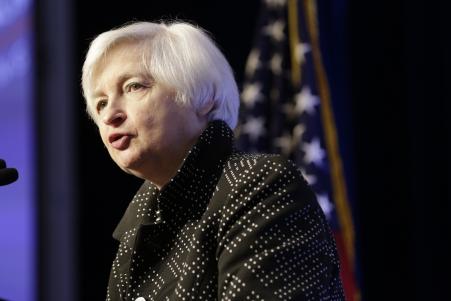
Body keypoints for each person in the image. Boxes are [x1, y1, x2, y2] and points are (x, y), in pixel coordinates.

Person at [81, 21, 345, 301]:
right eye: (101, 103)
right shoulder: (135, 234)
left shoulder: (260, 186)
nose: (109, 115)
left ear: (202, 96)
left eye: (134, 87)